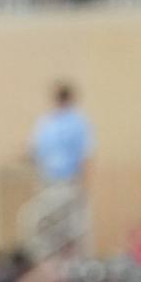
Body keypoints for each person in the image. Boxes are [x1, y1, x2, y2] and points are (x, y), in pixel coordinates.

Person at [29, 82, 94, 251]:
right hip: (49, 183)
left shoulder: (77, 123)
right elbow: (36, 153)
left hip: (69, 182)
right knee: (42, 226)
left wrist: (83, 186)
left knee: (74, 229)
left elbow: (85, 155)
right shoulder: (46, 123)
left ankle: (75, 266)